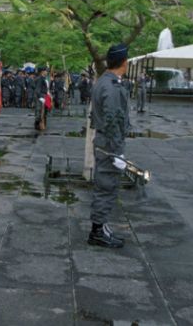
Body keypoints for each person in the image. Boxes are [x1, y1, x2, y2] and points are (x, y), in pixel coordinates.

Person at [89, 43, 132, 248]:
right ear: (124, 62)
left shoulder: (104, 81)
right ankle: (97, 231)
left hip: (104, 140)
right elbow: (113, 118)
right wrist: (117, 151)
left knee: (105, 185)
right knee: (106, 187)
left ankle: (101, 226)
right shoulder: (111, 86)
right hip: (109, 142)